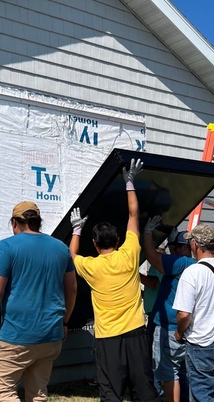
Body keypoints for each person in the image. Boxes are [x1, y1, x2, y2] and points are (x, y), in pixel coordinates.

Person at [69, 159, 159, 402]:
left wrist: (77, 230)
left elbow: (72, 255)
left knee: (111, 393)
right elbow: (133, 215)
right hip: (136, 335)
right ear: (118, 240)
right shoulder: (130, 254)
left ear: (96, 245)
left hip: (108, 339)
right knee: (144, 391)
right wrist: (129, 181)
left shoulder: (91, 266)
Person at [0, 201, 77, 402]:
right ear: (38, 222)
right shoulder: (60, 248)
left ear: (14, 222)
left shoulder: (7, 247)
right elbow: (72, 289)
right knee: (38, 393)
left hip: (16, 335)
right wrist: (65, 322)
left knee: (2, 391)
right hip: (50, 335)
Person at [173, 223, 214, 402]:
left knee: (202, 396)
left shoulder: (192, 272)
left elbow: (184, 314)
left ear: (195, 245)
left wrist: (179, 332)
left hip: (201, 342)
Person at [143, 221, 195, 402]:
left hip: (170, 328)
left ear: (187, 248)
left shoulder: (181, 264)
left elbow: (151, 256)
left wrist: (148, 233)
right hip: (185, 328)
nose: (174, 250)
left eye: (178, 247)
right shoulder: (196, 265)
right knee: (180, 370)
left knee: (167, 371)